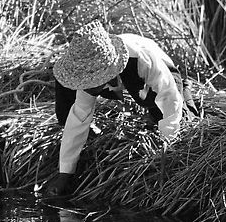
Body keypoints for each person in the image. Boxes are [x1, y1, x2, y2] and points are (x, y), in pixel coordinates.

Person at [39, 21, 197, 197]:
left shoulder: (142, 60)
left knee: (175, 115)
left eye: (91, 82)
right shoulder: (88, 73)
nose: (86, 88)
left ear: (106, 72)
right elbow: (79, 116)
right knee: (67, 94)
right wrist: (65, 173)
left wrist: (167, 146)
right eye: (85, 82)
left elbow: (169, 97)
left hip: (163, 72)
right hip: (114, 80)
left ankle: (186, 89)